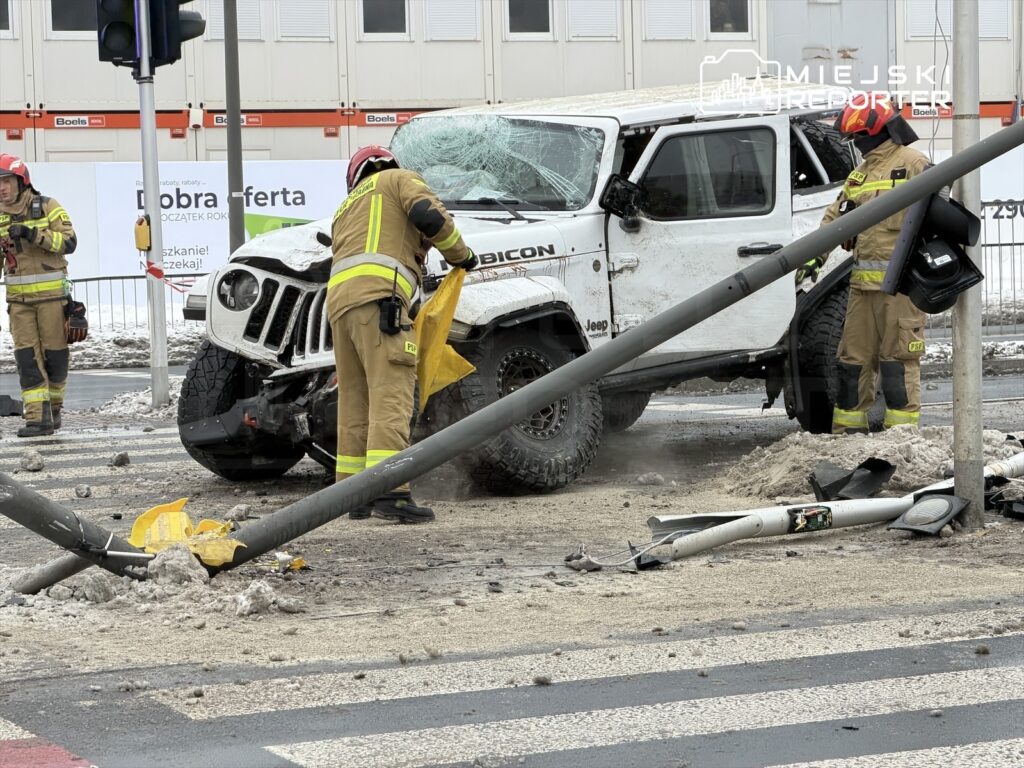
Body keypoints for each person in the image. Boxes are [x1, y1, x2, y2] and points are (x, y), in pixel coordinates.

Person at [328, 145, 477, 523]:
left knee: (355, 401)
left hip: (341, 310)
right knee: (390, 395)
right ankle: (392, 493)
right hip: (381, 303)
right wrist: (461, 254)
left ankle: (353, 495)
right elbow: (428, 214)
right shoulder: (398, 179)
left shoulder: (345, 209)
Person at [797, 95, 929, 434]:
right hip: (862, 289)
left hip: (901, 288)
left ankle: (901, 439)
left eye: (858, 136)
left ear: (876, 130)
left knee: (896, 366)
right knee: (851, 365)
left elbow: (939, 215)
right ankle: (848, 437)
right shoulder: (860, 174)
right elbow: (834, 219)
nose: (855, 143)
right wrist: (814, 258)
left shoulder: (914, 163)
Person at [0, 153, 77, 437]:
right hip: (18, 304)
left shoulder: (47, 207)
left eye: (6, 181)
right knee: (27, 360)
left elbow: (69, 242)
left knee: (55, 359)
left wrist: (34, 235)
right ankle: (37, 418)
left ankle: (53, 411)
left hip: (52, 300)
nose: (1, 188)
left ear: (22, 181)